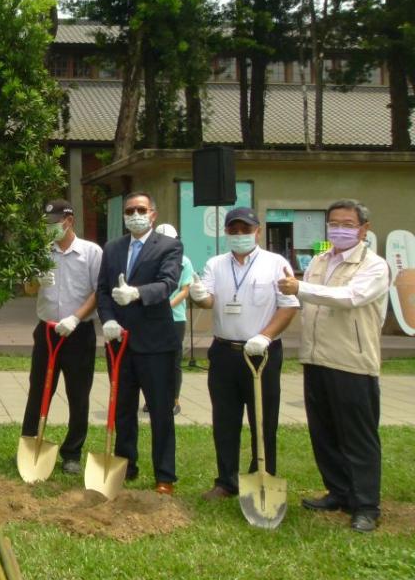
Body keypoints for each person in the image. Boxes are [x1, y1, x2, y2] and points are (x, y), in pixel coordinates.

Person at [277, 200, 389, 533]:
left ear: (363, 228)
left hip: (352, 361)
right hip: (316, 357)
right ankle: (338, 492)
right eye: (334, 223)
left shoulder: (374, 265)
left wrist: (301, 287)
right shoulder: (320, 261)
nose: (340, 229)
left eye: (348, 223)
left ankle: (366, 504)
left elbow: (350, 297)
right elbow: (303, 298)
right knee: (323, 431)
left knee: (357, 436)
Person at [189, 207, 298, 501]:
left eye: (245, 230)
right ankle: (226, 481)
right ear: (226, 233)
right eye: (234, 231)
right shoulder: (216, 264)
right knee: (225, 420)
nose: (240, 235)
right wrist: (200, 296)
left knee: (263, 421)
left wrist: (265, 336)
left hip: (261, 353)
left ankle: (261, 478)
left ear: (258, 231)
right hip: (225, 352)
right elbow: (209, 301)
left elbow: (288, 306)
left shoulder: (276, 264)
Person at [96, 191, 182, 494]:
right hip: (118, 341)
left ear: (153, 214)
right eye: (130, 210)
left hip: (155, 343)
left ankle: (164, 475)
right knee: (122, 408)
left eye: (141, 210)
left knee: (160, 410)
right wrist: (107, 319)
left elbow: (168, 284)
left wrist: (137, 293)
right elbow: (103, 289)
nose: (135, 215)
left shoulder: (169, 247)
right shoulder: (113, 247)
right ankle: (126, 465)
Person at [21, 199, 101, 475]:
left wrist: (76, 317)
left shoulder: (91, 252)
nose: (49, 228)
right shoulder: (41, 252)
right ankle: (31, 443)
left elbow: (98, 291)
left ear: (69, 221)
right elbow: (30, 289)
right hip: (46, 330)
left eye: (54, 223)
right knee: (38, 390)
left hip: (78, 332)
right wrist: (35, 280)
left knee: (78, 394)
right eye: (46, 224)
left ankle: (72, 453)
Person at [155, 223, 194, 415]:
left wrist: (166, 305)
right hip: (152, 317)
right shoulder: (151, 259)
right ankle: (152, 399)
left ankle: (174, 399)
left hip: (175, 317)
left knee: (173, 360)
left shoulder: (184, 261)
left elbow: (185, 290)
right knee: (153, 360)